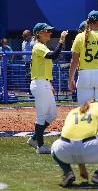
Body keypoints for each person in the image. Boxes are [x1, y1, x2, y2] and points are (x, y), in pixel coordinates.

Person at [51, 98, 98, 187]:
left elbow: (77, 138)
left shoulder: (73, 111)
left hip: (64, 151)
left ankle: (67, 172)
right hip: (91, 149)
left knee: (54, 146)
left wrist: (82, 167)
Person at [27, 23, 68, 154]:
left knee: (52, 115)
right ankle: (40, 146)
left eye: (50, 31)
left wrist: (49, 84)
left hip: (44, 83)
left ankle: (34, 138)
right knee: (42, 116)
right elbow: (53, 55)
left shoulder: (42, 46)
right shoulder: (38, 46)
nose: (50, 33)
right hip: (39, 83)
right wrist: (61, 41)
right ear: (38, 33)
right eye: (47, 31)